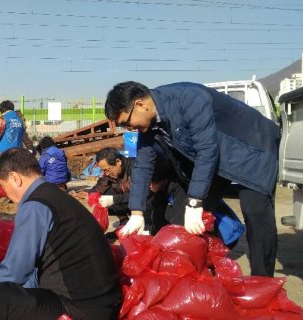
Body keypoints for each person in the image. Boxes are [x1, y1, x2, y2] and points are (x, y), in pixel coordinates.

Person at [104, 81, 280, 277]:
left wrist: (195, 201)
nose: (130, 128)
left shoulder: (189, 99)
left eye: (127, 123)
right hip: (218, 157)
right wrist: (136, 212)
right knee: (196, 220)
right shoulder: (149, 126)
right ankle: (205, 270)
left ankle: (263, 282)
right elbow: (143, 166)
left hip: (252, 148)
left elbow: (206, 150)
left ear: (139, 105)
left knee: (255, 213)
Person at [0, 148, 121, 319]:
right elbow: (32, 269)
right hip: (100, 302)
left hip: (79, 307)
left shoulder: (35, 206)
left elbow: (14, 272)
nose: (4, 193)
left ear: (15, 178)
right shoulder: (57, 197)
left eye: (3, 185)